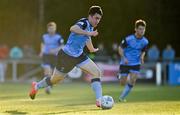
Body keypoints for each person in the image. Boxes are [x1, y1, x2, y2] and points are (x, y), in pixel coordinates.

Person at [29, 6, 103, 108]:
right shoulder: (84, 22)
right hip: (66, 56)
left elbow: (87, 38)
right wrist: (88, 33)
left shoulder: (90, 27)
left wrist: (91, 49)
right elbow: (72, 28)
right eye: (96, 18)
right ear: (90, 16)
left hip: (79, 55)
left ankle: (99, 100)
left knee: (97, 72)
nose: (97, 21)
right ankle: (36, 86)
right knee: (56, 80)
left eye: (99, 19)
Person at [118, 19, 149, 102]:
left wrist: (142, 57)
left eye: (143, 29)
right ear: (136, 29)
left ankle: (122, 97)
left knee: (133, 80)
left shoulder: (145, 41)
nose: (142, 31)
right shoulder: (128, 39)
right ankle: (120, 76)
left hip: (136, 63)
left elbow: (144, 51)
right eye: (140, 29)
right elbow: (120, 48)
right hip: (125, 62)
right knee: (122, 83)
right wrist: (124, 58)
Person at [39, 22, 64, 94]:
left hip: (55, 57)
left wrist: (54, 50)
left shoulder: (58, 37)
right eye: (50, 28)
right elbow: (42, 44)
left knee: (53, 74)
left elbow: (62, 46)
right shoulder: (44, 36)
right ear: (47, 29)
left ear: (55, 29)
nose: (51, 30)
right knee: (47, 70)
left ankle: (49, 85)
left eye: (53, 28)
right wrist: (41, 51)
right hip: (46, 56)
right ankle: (48, 87)